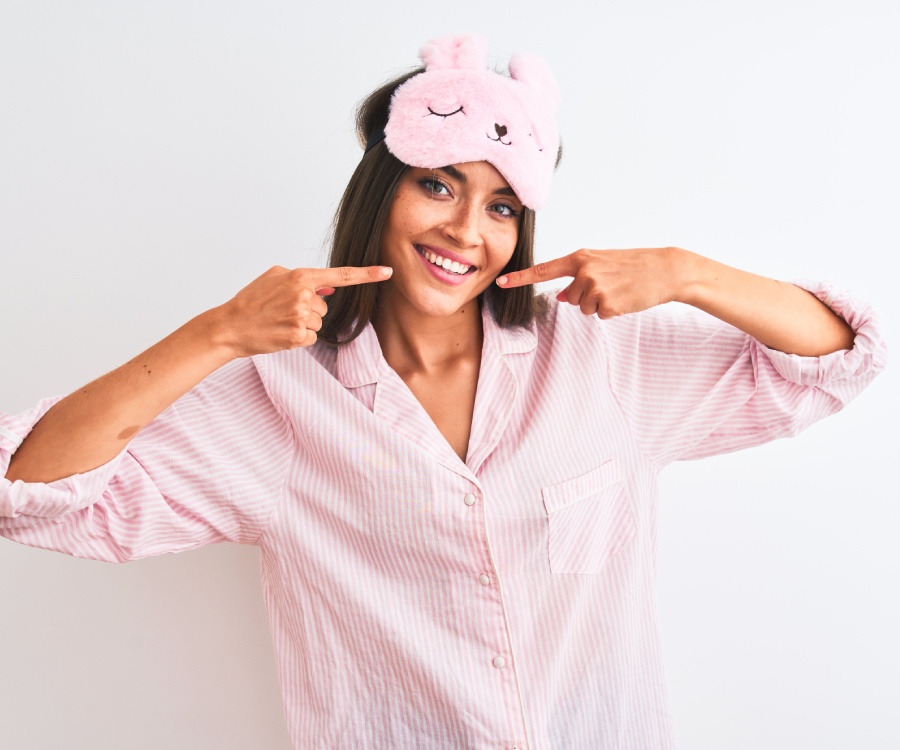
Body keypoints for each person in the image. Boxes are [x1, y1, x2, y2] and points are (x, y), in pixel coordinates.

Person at [0, 33, 886, 750]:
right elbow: (31, 490)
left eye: (502, 206)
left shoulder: (600, 361)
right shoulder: (277, 409)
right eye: (438, 185)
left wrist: (688, 272)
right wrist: (220, 332)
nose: (467, 229)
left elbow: (840, 356)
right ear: (381, 193)